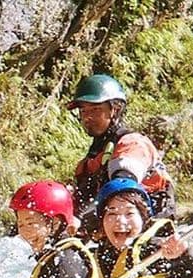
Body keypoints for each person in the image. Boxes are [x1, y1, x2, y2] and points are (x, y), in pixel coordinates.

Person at [68, 73, 175, 234]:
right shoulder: (89, 162)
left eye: (96, 109)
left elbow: (122, 189)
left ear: (115, 109)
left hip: (147, 233)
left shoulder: (132, 144)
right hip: (109, 234)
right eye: (83, 111)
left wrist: (81, 221)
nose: (88, 117)